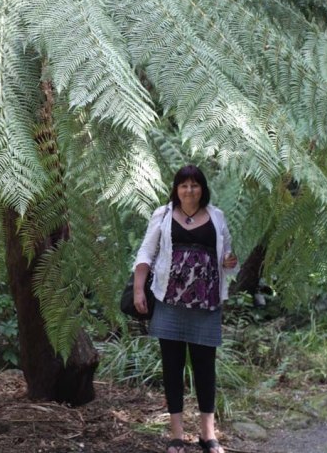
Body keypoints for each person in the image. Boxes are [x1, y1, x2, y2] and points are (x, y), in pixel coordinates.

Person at [133, 165, 239, 453]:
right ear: (176, 189)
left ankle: (208, 434)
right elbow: (146, 252)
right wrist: (138, 288)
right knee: (172, 366)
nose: (189, 190)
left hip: (206, 304)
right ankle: (176, 434)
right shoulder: (163, 215)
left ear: (202, 188)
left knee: (206, 367)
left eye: (194, 185)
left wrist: (230, 262)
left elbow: (228, 254)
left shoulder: (216, 216)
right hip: (169, 302)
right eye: (183, 185)